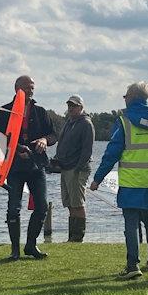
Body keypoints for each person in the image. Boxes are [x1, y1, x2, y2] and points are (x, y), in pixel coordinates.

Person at [90, 81, 148, 279]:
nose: (124, 99)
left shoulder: (124, 121)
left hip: (130, 182)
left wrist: (97, 179)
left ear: (131, 98)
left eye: (125, 96)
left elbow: (111, 154)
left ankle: (132, 265)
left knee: (131, 222)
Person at [0, 75, 56, 260]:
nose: (31, 90)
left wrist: (45, 140)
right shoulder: (4, 111)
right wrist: (16, 148)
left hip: (37, 165)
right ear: (17, 89)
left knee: (42, 207)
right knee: (13, 208)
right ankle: (14, 249)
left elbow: (53, 134)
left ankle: (31, 245)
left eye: (33, 87)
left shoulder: (40, 111)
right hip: (14, 167)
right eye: (28, 87)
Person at [52, 94, 95, 242]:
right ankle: (72, 236)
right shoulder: (69, 122)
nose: (71, 108)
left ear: (81, 107)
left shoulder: (86, 124)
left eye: (74, 106)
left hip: (77, 169)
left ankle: (78, 236)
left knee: (78, 203)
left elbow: (87, 150)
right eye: (69, 105)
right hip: (66, 168)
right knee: (69, 203)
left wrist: (78, 168)